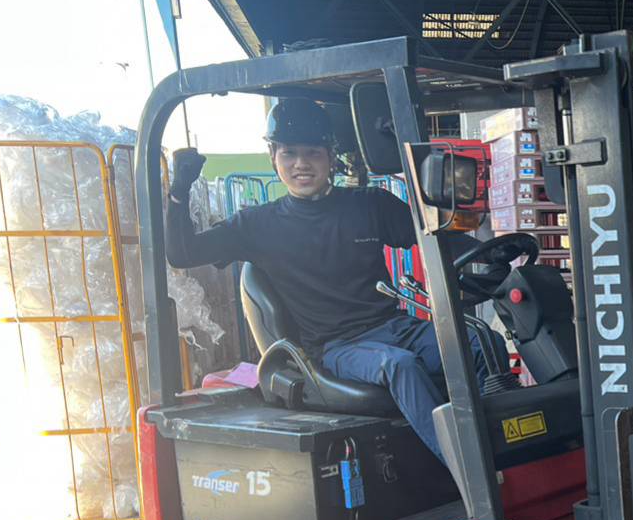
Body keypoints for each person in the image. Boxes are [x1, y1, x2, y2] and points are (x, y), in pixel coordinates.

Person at [164, 97, 482, 464]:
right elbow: (183, 254)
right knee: (399, 366)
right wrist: (179, 192)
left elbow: (433, 237)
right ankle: (467, 471)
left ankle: (496, 449)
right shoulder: (257, 226)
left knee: (479, 342)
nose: (301, 164)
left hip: (394, 327)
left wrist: (486, 254)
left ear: (331, 157)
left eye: (313, 153)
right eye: (290, 153)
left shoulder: (369, 205)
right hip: (338, 346)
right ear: (273, 157)